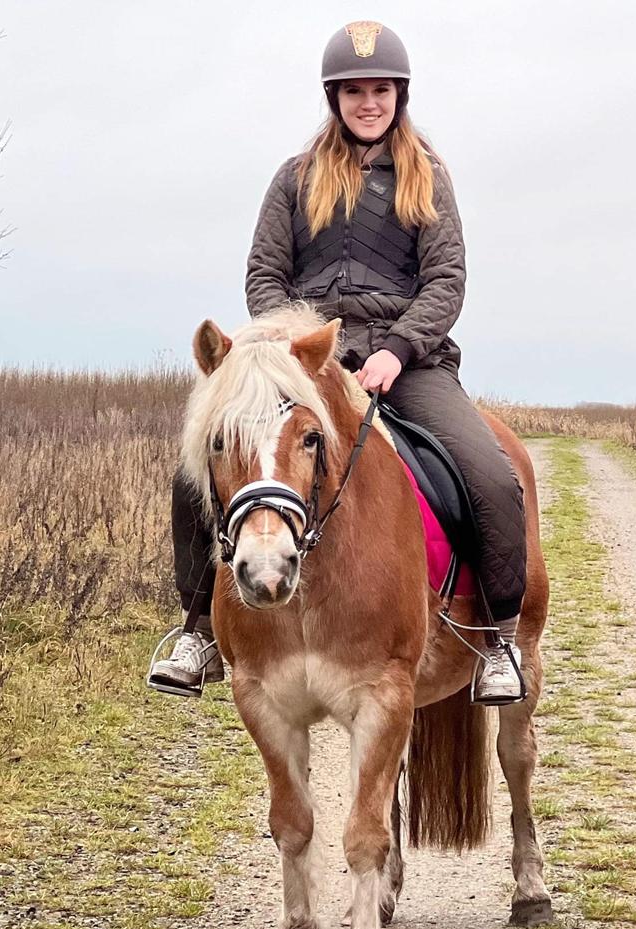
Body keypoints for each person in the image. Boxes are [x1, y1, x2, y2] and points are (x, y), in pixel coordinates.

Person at [149, 21, 526, 704]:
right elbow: (265, 273)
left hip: (408, 363)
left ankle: (497, 638)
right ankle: (199, 628)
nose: (369, 103)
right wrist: (286, 343)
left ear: (398, 94)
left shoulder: (428, 178)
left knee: (491, 477)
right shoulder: (293, 181)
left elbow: (446, 281)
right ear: (335, 97)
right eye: (355, 92)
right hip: (304, 361)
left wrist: (397, 349)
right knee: (199, 465)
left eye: (380, 90)